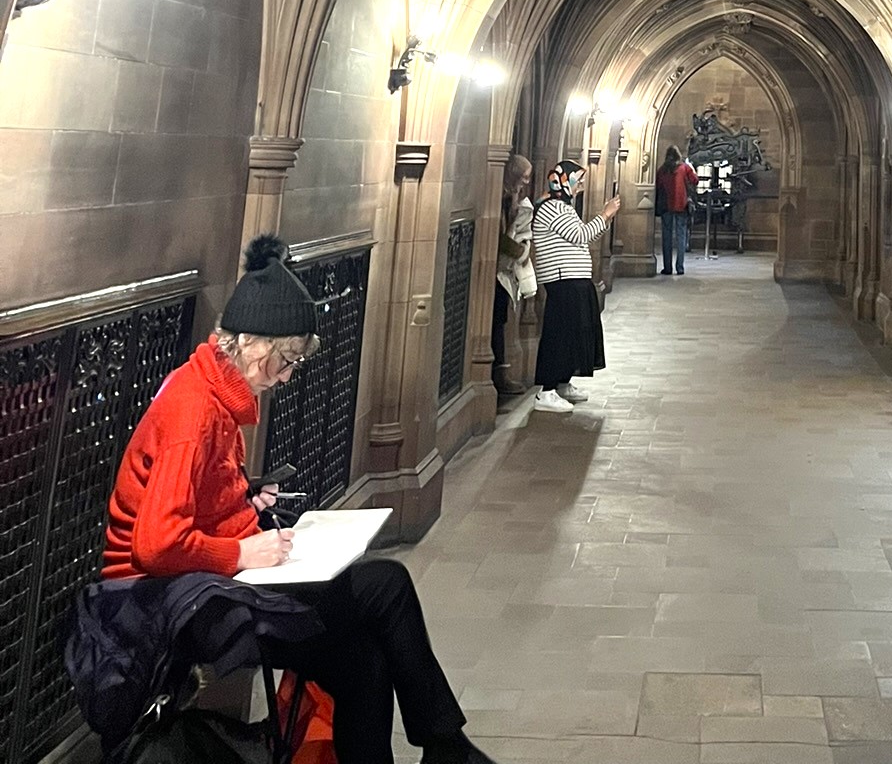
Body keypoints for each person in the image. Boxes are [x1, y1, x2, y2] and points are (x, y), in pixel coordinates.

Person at [102, 234, 493, 764]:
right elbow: (155, 546)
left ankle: (446, 746)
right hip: (165, 605)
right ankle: (448, 746)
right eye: (285, 362)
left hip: (200, 587)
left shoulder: (211, 394)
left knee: (364, 659)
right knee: (387, 586)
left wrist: (247, 506)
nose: (285, 377)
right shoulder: (194, 412)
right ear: (256, 346)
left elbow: (200, 504)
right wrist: (243, 553)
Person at [531, 159, 618, 413]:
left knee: (574, 333)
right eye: (578, 182)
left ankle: (562, 381)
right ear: (564, 181)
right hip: (563, 280)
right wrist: (605, 214)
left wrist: (604, 218)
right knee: (559, 334)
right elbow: (581, 235)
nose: (580, 187)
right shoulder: (553, 208)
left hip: (574, 279)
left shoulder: (563, 207)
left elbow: (579, 235)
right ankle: (546, 392)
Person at [491, 153, 535, 399]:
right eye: (524, 177)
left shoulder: (510, 199)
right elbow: (499, 239)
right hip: (494, 272)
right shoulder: (499, 198)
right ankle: (497, 374)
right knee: (495, 320)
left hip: (502, 271)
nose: (526, 183)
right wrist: (521, 250)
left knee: (500, 318)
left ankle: (500, 372)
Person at [654, 145, 697, 275]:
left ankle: (667, 268)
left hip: (666, 206)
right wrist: (693, 169)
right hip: (681, 205)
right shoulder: (684, 168)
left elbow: (658, 186)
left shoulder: (662, 170)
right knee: (681, 236)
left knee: (666, 237)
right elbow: (695, 181)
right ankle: (680, 267)